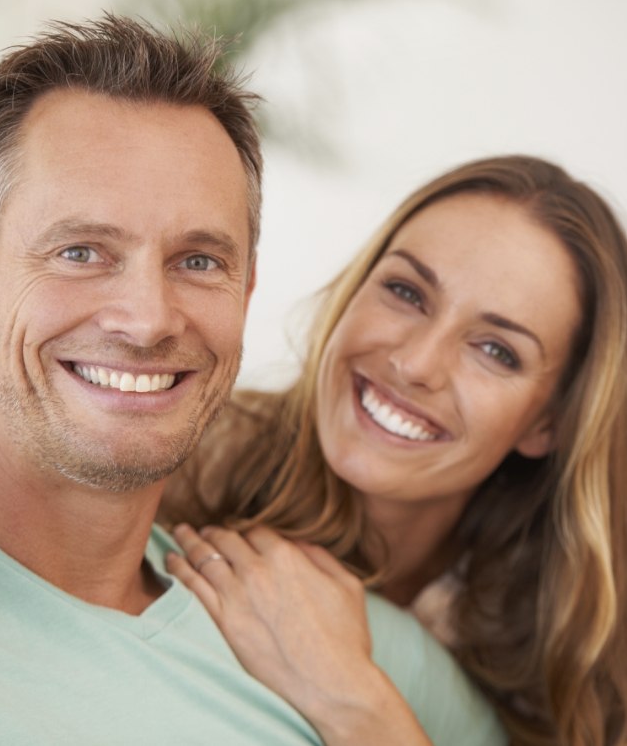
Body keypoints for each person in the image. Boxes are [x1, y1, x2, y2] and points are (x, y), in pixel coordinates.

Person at [0, 14, 505, 746]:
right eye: (81, 251)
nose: (148, 319)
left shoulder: (351, 651)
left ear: (246, 294)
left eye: (197, 261)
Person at [159, 155, 627, 746]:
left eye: (496, 350)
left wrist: (355, 702)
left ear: (549, 424)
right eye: (406, 292)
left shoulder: (579, 643)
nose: (415, 363)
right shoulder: (178, 461)